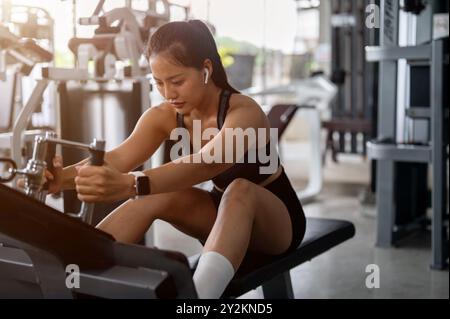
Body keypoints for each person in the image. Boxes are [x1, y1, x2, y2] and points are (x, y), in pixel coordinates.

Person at [44, 20, 306, 299]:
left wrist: (132, 184)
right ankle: (67, 271)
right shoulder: (163, 115)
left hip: (278, 224)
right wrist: (62, 179)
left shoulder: (244, 112)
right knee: (154, 197)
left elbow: (208, 162)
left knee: (238, 189)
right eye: (159, 83)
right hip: (222, 217)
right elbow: (117, 158)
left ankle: (198, 301)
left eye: (177, 81)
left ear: (206, 70)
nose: (169, 93)